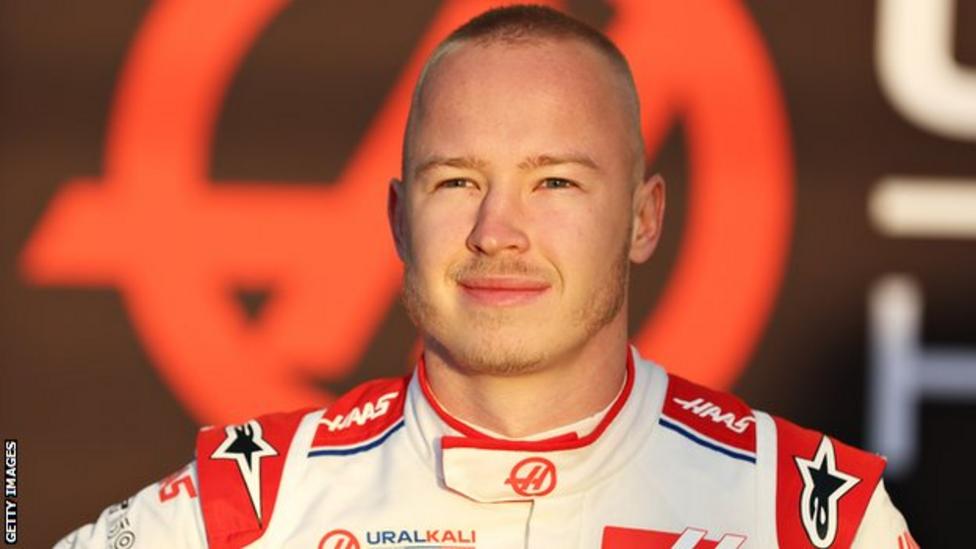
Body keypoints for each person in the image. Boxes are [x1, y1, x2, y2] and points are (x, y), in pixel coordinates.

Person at [57, 5, 916, 548]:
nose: (496, 232)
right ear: (398, 217)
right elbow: (12, 505)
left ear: (644, 218)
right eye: (457, 181)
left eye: (556, 182)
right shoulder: (243, 508)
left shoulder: (812, 516)